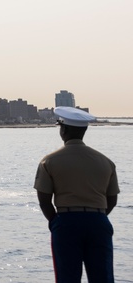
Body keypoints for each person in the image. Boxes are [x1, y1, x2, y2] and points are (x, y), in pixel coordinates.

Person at [34, 106, 120, 283]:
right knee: (102, 277)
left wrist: (56, 221)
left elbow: (44, 200)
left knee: (67, 277)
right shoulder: (105, 161)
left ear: (63, 129)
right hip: (98, 221)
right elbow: (112, 199)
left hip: (66, 221)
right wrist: (97, 216)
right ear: (84, 130)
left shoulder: (49, 161)